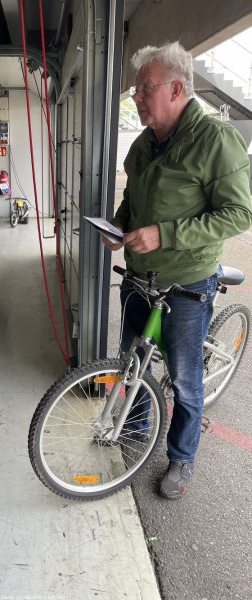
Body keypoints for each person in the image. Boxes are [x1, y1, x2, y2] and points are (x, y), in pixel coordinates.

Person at [103, 41, 252, 499]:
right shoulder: (144, 145)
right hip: (139, 277)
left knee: (186, 380)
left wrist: (165, 234)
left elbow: (239, 214)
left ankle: (182, 459)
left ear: (177, 87)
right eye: (136, 89)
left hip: (186, 282)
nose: (136, 97)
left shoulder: (216, 141)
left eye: (144, 88)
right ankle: (138, 429)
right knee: (133, 363)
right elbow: (132, 202)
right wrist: (120, 227)